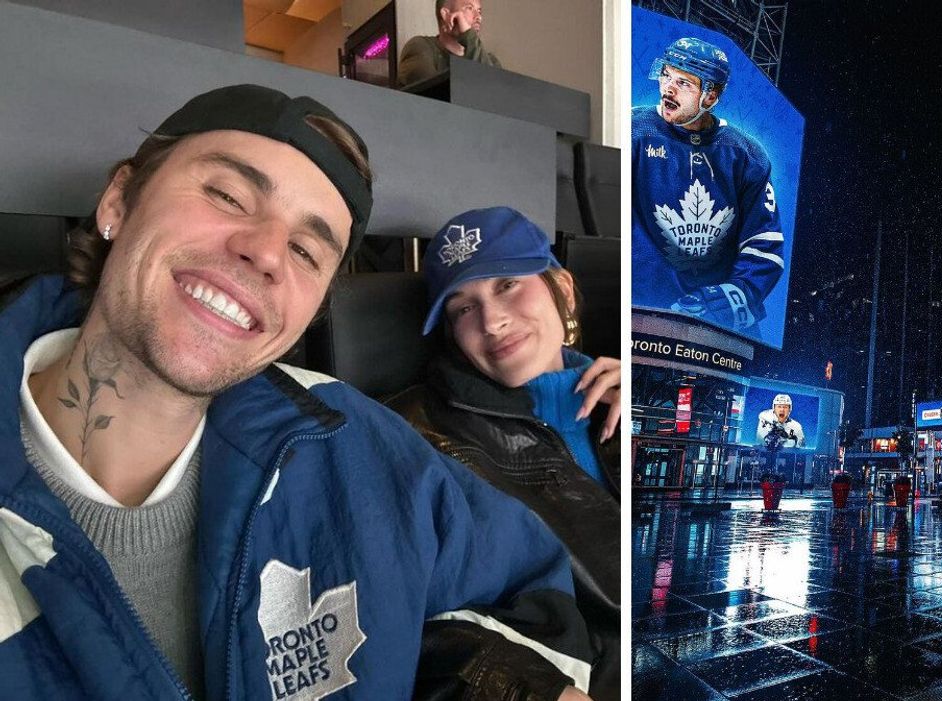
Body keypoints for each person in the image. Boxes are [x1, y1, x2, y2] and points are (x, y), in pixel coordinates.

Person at [0, 84, 592, 700]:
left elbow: (529, 589)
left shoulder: (351, 437)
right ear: (119, 200)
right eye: (227, 195)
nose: (264, 254)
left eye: (307, 252)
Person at [387, 207, 620, 701]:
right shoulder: (418, 434)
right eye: (462, 308)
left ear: (563, 288)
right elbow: (405, 619)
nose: (491, 321)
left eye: (507, 284)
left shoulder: (627, 396)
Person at [632, 37, 785, 335]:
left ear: (710, 97)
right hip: (641, 318)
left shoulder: (746, 155)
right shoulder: (633, 131)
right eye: (666, 75)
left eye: (684, 83)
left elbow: (764, 245)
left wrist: (733, 299)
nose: (668, 88)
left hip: (712, 332)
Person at [397, 0, 501, 88]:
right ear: (446, 15)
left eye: (479, 11)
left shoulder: (490, 60)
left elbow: (495, 95)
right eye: (469, 8)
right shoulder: (420, 46)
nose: (479, 17)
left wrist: (469, 38)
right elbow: (434, 96)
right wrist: (468, 35)